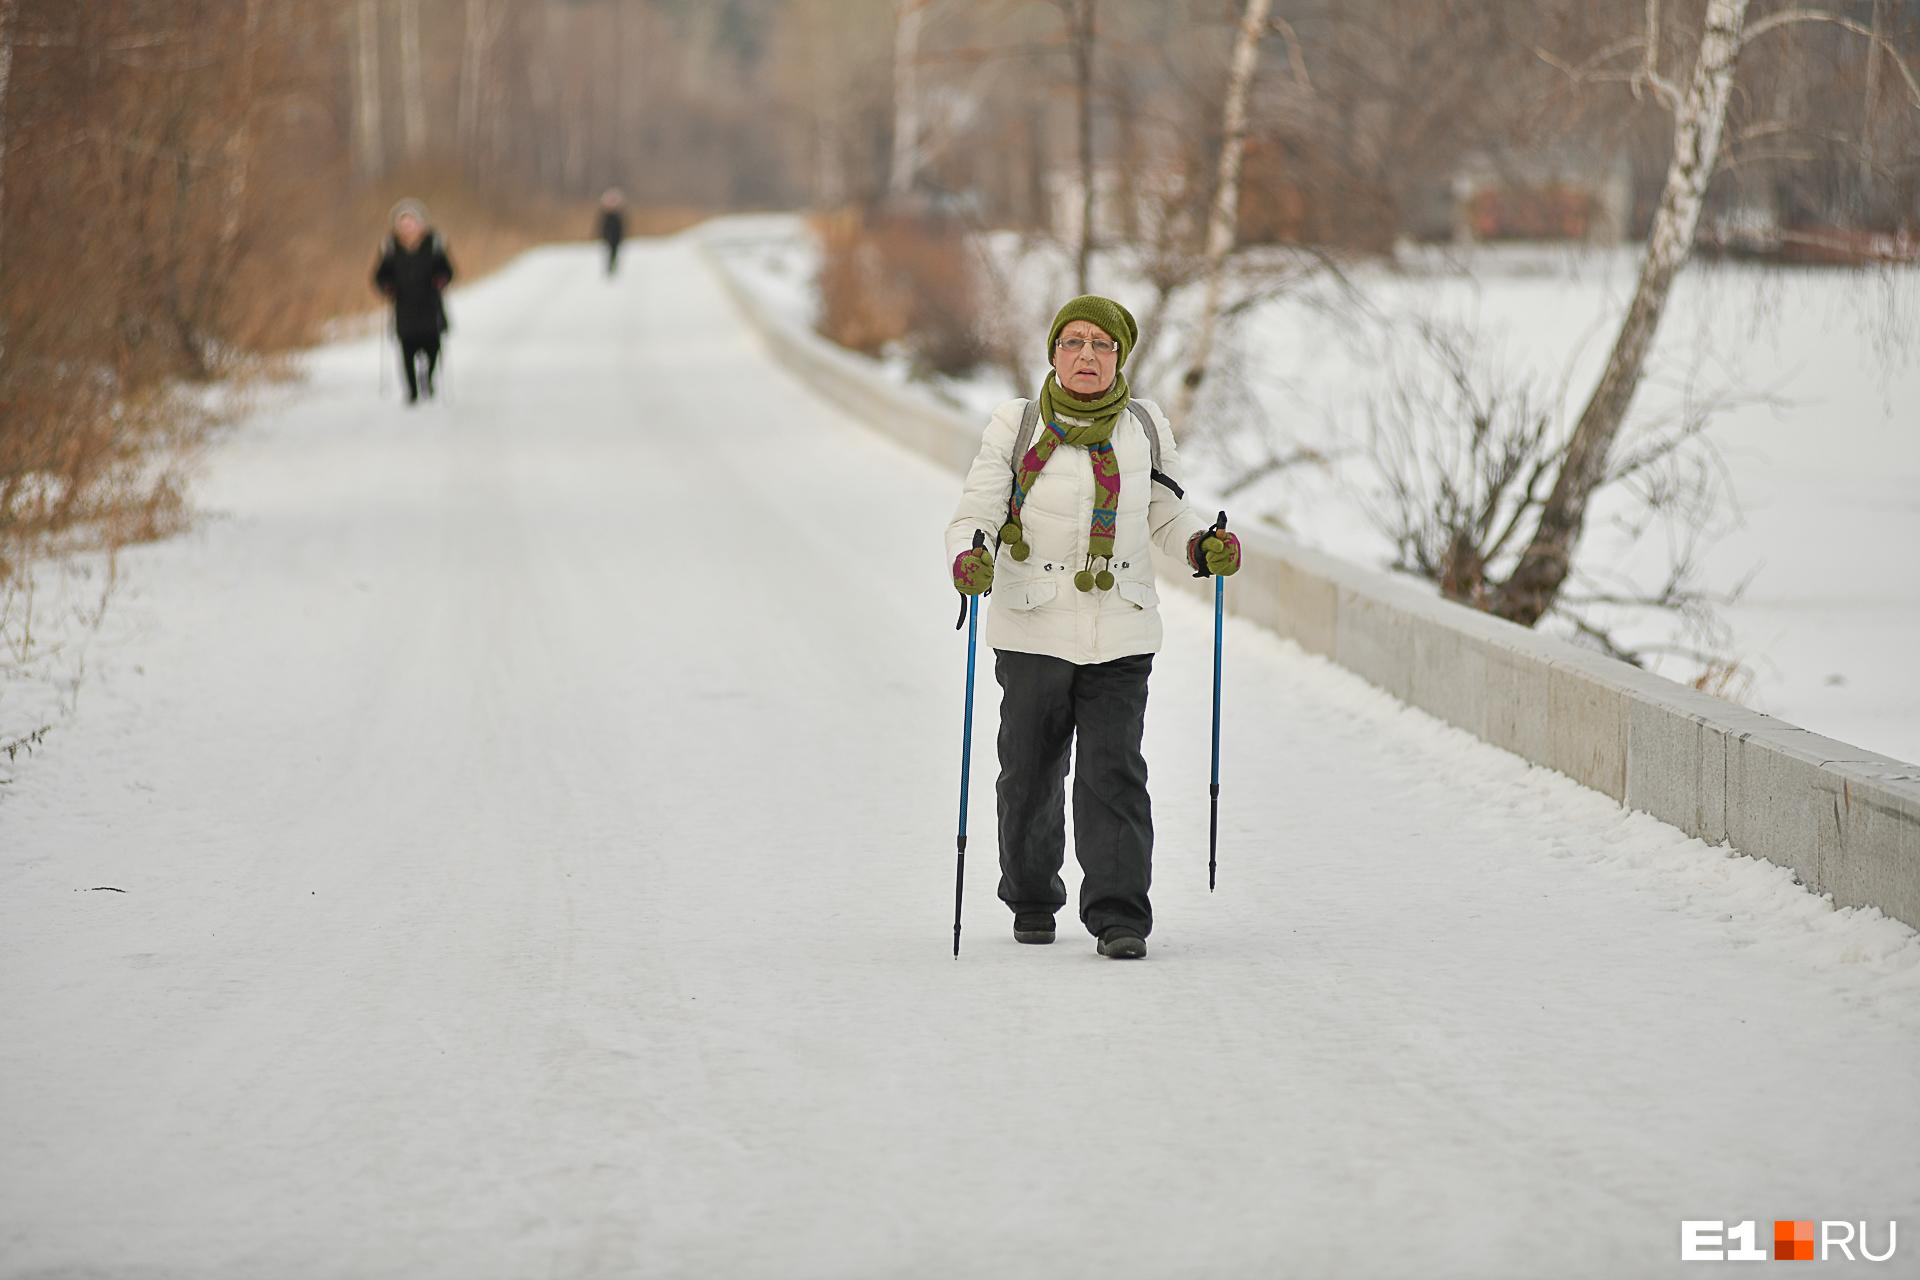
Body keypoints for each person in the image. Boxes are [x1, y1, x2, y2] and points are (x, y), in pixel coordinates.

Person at [946, 296, 1242, 960]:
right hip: (1031, 622)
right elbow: (980, 507)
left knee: (1114, 770)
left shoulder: (1144, 426)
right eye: (1074, 342)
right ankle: (1031, 896)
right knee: (1029, 770)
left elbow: (1163, 512)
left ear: (1120, 357)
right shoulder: (1016, 425)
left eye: (1102, 345)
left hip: (1121, 627)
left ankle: (1118, 916)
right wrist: (970, 554)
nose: (1087, 356)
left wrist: (1200, 547)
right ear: (1053, 352)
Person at [372, 199, 455, 405]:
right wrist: (386, 287)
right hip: (404, 305)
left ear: (421, 223)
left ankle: (427, 379)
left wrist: (442, 279)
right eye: (403, 222)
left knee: (433, 346)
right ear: (397, 225)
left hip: (430, 304)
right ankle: (411, 391)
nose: (407, 226)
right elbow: (380, 275)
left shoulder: (434, 243)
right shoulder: (390, 247)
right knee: (407, 348)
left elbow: (447, 270)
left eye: (411, 221)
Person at [598, 188, 627, 277]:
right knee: (609, 253)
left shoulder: (617, 215)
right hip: (608, 238)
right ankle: (610, 268)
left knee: (614, 253)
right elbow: (602, 227)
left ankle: (613, 267)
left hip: (616, 238)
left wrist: (621, 236)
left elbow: (621, 227)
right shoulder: (606, 215)